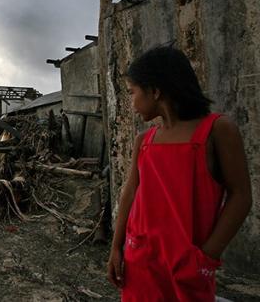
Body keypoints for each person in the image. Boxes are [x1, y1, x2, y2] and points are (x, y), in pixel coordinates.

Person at [106, 46, 252, 301]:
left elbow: (240, 196)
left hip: (187, 265)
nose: (131, 103)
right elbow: (130, 194)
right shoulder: (145, 140)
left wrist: (207, 256)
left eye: (132, 93)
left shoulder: (217, 130)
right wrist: (116, 247)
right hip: (140, 260)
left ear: (155, 90)